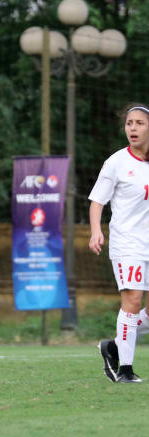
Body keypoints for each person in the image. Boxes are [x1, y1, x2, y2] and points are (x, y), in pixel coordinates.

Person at [92, 104, 149, 384]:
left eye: (139, 123)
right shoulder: (117, 162)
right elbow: (97, 200)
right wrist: (95, 231)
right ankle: (125, 370)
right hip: (127, 243)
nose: (133, 128)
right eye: (130, 123)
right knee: (133, 301)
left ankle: (114, 346)